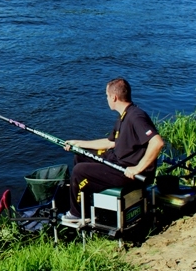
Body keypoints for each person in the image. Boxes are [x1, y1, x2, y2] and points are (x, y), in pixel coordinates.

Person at [61, 78, 164, 222]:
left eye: (107, 96)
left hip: (128, 172)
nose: (107, 99)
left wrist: (137, 168)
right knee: (80, 156)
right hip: (117, 160)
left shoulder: (136, 116)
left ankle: (77, 215)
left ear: (114, 97)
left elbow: (157, 143)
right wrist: (78, 144)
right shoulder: (124, 115)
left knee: (79, 171)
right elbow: (110, 143)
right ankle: (87, 202)